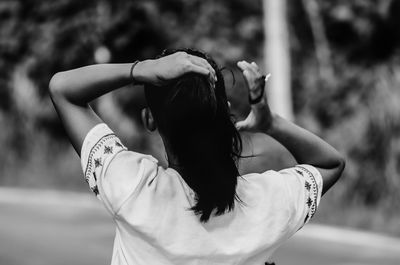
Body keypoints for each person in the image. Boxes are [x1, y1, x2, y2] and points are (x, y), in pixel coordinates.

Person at [49, 48, 345, 265]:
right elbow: (330, 163)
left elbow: (62, 89)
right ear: (225, 113)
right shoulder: (268, 203)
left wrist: (141, 69)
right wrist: (270, 123)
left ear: (149, 119)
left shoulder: (135, 190)